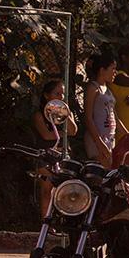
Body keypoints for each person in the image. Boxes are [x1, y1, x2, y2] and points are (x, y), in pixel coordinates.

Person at [31, 79, 77, 216]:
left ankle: (62, 219)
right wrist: (64, 134)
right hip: (46, 156)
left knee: (64, 191)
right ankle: (46, 221)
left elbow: (73, 131)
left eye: (62, 94)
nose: (61, 97)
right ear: (47, 95)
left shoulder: (66, 112)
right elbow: (47, 135)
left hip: (63, 156)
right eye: (57, 94)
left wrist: (66, 114)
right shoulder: (39, 115)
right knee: (47, 190)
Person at [83, 52, 120, 165]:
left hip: (109, 139)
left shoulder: (107, 90)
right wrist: (100, 144)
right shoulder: (93, 88)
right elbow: (88, 118)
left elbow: (115, 117)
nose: (115, 72)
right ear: (102, 70)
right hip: (98, 140)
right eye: (112, 68)